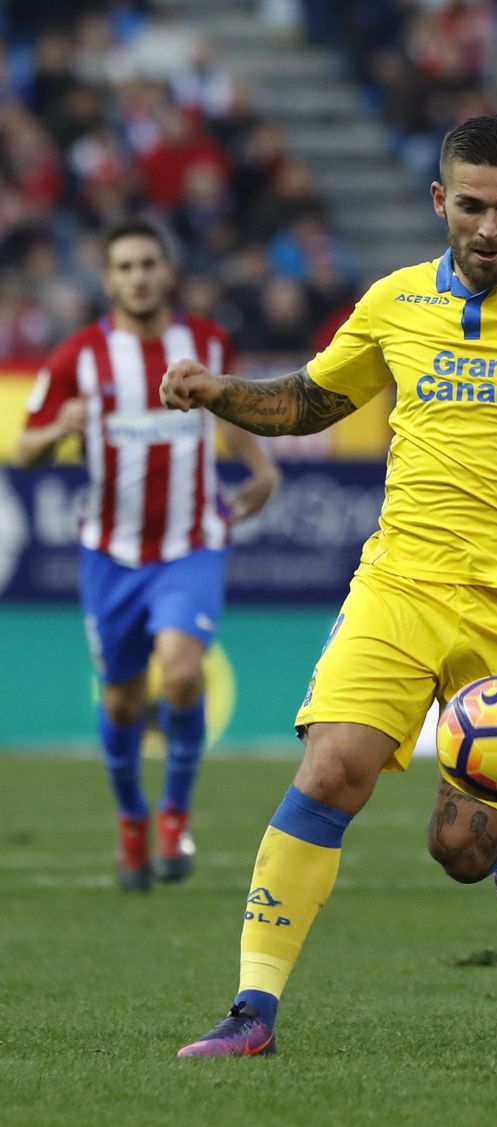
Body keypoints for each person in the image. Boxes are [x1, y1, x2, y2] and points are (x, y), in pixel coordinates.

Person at [158, 116, 497, 1057]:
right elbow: (310, 401)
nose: (488, 227)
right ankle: (252, 1012)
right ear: (440, 200)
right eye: (470, 205)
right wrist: (217, 390)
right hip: (402, 582)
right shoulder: (394, 301)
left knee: (459, 848)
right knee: (330, 769)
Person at [15, 218, 279, 892]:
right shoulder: (78, 357)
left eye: (147, 264)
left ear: (167, 272)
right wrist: (55, 429)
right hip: (111, 554)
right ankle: (131, 819)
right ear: (108, 280)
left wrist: (263, 467)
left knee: (183, 674)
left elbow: (234, 412)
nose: (137, 276)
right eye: (124, 267)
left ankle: (173, 815)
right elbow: (23, 448)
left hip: (191, 543)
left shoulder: (204, 342)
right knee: (126, 701)